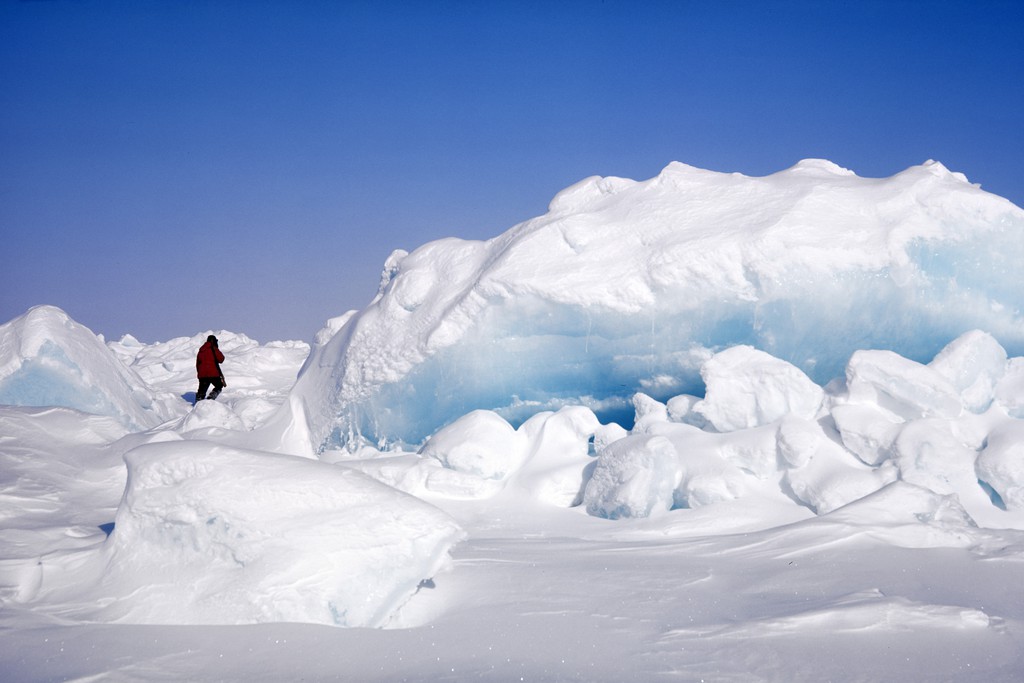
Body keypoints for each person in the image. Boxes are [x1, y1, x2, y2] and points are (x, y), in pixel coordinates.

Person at [195, 334, 226, 403]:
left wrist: (200, 374)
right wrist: (216, 349)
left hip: (202, 375)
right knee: (219, 386)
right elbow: (221, 359)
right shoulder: (213, 348)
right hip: (213, 374)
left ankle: (198, 404)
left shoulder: (201, 350)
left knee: (201, 391)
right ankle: (211, 398)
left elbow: (198, 364)